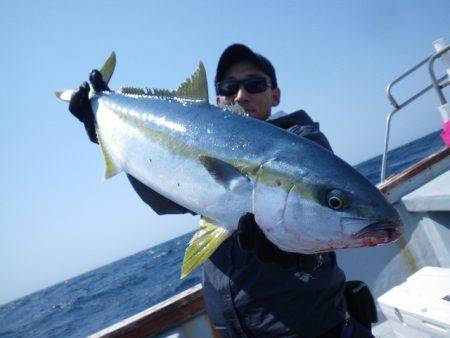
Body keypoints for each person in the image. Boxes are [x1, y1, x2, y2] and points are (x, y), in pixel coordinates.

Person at [69, 44, 376, 338]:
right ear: (217, 100)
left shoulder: (303, 143)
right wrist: (108, 134)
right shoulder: (203, 140)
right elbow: (163, 201)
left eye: (254, 84)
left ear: (275, 94)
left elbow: (324, 197)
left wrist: (303, 258)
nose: (241, 95)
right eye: (229, 88)